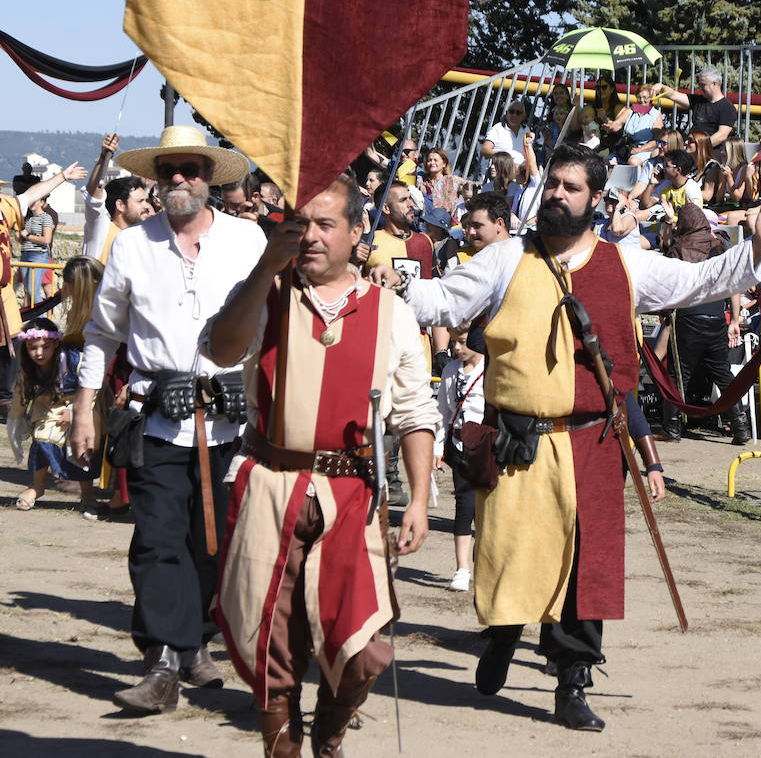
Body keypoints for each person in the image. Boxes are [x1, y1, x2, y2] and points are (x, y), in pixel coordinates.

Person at [368, 145, 761, 731]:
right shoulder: (507, 258)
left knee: (584, 566)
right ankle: (502, 636)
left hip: (593, 441)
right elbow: (444, 298)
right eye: (553, 185)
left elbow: (699, 281)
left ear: (596, 199)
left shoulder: (627, 264)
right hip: (518, 440)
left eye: (571, 188)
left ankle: (572, 681)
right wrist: (396, 283)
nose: (557, 195)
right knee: (512, 555)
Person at [203, 174, 437, 756]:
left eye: (325, 224)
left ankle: (329, 737)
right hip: (270, 485)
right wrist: (264, 271)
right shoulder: (266, 295)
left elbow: (414, 413)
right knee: (270, 641)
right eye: (301, 224)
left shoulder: (391, 313)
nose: (309, 236)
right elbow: (220, 349)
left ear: (358, 231)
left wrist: (420, 501)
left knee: (363, 647)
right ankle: (283, 747)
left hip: (352, 494)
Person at [70, 124, 262, 714]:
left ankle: (194, 643)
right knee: (157, 541)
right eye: (170, 170)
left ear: (210, 178)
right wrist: (84, 410)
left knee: (213, 546)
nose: (180, 179)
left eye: (193, 170)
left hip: (230, 420)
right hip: (155, 418)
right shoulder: (132, 245)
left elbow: (269, 328)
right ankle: (161, 665)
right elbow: (102, 335)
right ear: (156, 178)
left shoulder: (248, 240)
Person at [659, 203, 751, 444]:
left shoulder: (679, 248)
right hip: (716, 318)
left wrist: (666, 311)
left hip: (688, 318)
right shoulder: (720, 247)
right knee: (722, 373)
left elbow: (671, 285)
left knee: (679, 374)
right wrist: (735, 317)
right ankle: (741, 427)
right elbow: (733, 284)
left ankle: (672, 429)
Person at [9, 317, 99, 516]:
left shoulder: (75, 360)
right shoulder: (26, 368)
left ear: (55, 344)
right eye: (33, 348)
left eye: (45, 347)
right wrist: (15, 424)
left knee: (82, 447)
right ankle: (37, 486)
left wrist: (77, 412)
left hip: (81, 404)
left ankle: (87, 494)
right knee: (42, 440)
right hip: (48, 408)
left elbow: (92, 387)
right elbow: (19, 398)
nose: (39, 353)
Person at [438, 323, 485, 592]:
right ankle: (462, 568)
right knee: (463, 505)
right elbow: (442, 412)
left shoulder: (490, 369)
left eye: (463, 341)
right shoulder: (449, 371)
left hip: (484, 446)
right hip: (458, 445)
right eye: (454, 341)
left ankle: (485, 564)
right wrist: (437, 449)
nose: (456, 347)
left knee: (486, 509)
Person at [654, 66, 737, 148]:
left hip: (711, 152)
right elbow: (673, 95)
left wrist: (698, 148)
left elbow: (721, 135)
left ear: (714, 84)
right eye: (699, 84)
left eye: (703, 85)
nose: (700, 88)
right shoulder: (697, 100)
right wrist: (661, 87)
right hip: (692, 147)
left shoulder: (727, 107)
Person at [83, 173, 153, 262]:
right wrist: (103, 160)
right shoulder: (102, 230)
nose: (147, 206)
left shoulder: (142, 237)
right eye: (140, 201)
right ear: (120, 205)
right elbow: (93, 197)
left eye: (146, 200)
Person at [18, 194, 55, 303]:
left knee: (32, 290)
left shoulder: (46, 218)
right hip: (25, 255)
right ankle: (33, 318)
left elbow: (46, 240)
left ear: (42, 203)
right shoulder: (27, 218)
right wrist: (19, 236)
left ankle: (40, 318)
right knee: (28, 290)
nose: (32, 203)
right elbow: (23, 239)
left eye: (35, 200)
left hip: (38, 256)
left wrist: (28, 235)